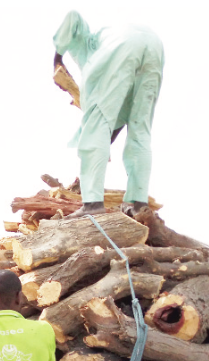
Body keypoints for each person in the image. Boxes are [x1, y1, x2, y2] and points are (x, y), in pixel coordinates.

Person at [52, 11, 165, 218]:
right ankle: (138, 203)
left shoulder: (91, 51)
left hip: (121, 45)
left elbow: (72, 17)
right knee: (140, 129)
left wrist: (57, 57)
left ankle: (92, 204)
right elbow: (122, 113)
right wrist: (107, 139)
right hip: (154, 45)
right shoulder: (103, 40)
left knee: (95, 126)